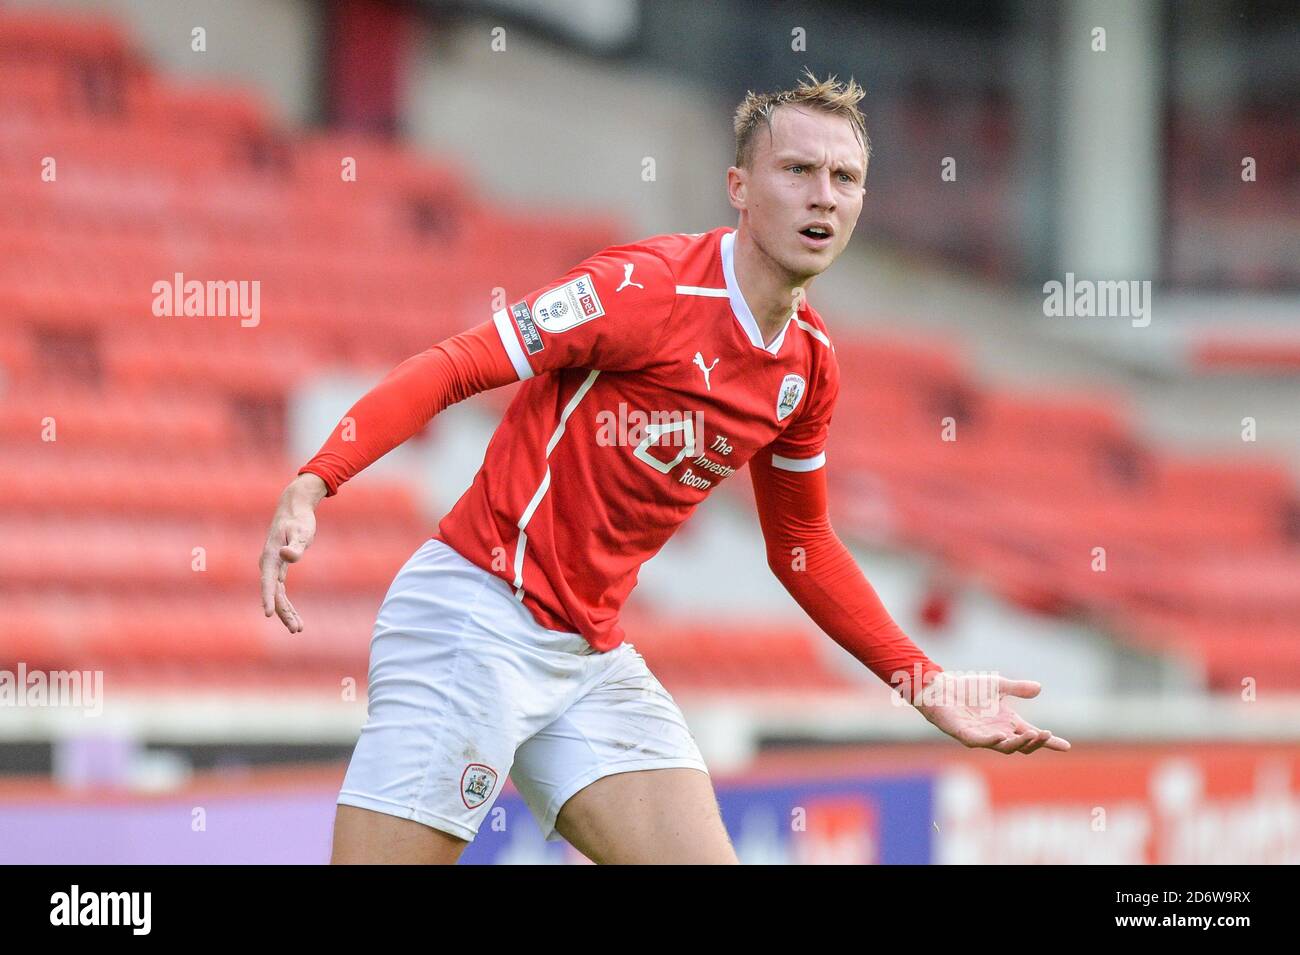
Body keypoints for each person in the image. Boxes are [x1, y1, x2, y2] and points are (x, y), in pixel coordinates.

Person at [259, 70, 1070, 865]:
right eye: (797, 170)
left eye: (845, 177)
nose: (823, 194)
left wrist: (924, 683)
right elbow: (458, 364)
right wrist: (318, 477)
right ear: (739, 187)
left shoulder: (807, 365)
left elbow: (802, 548)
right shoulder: (644, 288)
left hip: (587, 656)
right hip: (476, 616)